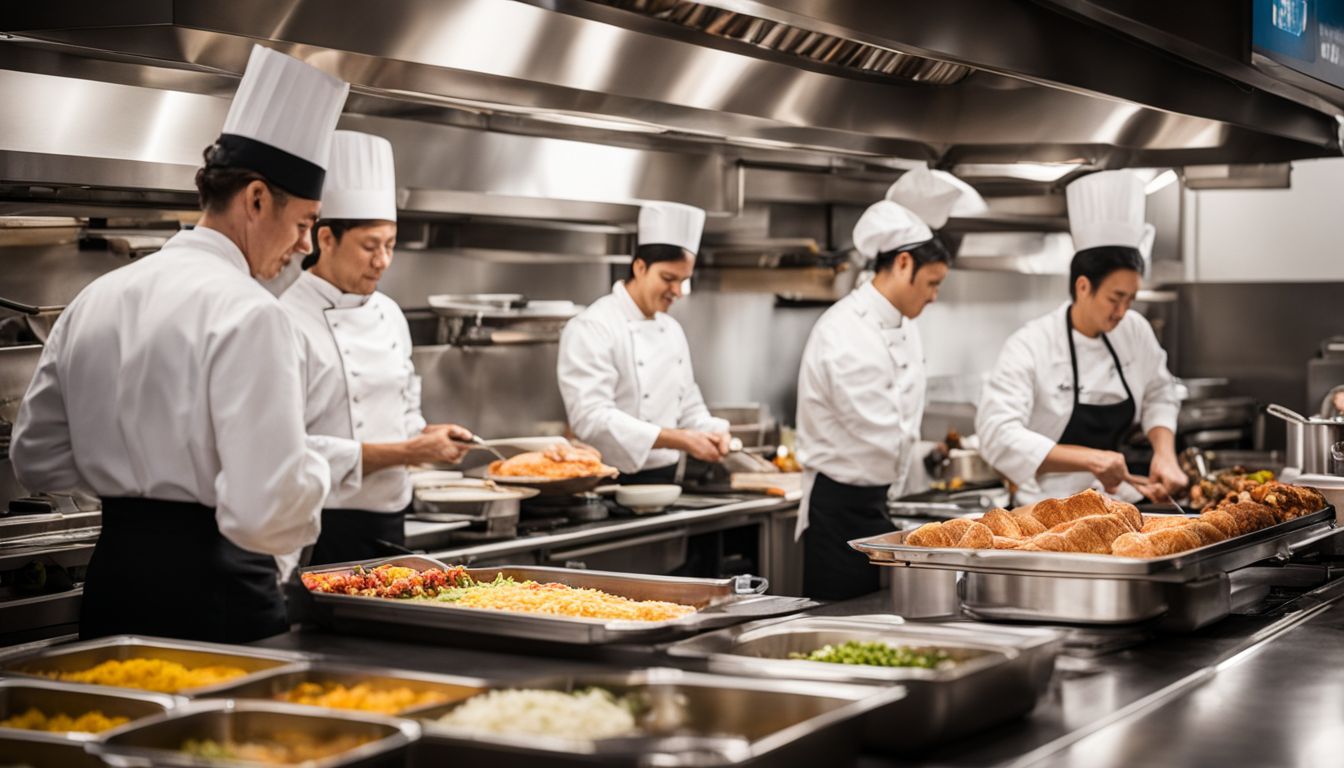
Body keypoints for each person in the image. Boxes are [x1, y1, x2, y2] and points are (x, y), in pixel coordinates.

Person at [10, 45, 349, 642]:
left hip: (114, 584)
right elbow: (265, 515)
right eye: (303, 224)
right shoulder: (251, 314)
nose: (304, 247)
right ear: (256, 199)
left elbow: (35, 459)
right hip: (216, 598)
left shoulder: (98, 298)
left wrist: (134, 481)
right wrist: (315, 468)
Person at [280, 130, 473, 566]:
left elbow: (404, 411)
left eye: (390, 245)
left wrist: (428, 436)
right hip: (320, 523)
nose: (383, 261)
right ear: (324, 238)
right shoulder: (286, 317)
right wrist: (408, 453)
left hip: (390, 517)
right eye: (370, 246)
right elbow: (290, 447)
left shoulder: (389, 312)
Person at [795, 167, 970, 601]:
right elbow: (877, 430)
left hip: (876, 502)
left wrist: (927, 456)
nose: (933, 297)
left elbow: (899, 426)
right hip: (837, 510)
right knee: (839, 629)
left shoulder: (903, 323)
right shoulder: (845, 331)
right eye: (932, 284)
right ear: (903, 264)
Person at [976, 170, 1184, 506]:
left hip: (1116, 503)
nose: (1123, 311)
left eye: (1131, 299)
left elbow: (1159, 391)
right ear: (1083, 286)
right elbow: (996, 435)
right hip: (1046, 508)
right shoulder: (1031, 344)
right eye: (1115, 298)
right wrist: (1093, 459)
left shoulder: (1134, 329)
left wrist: (1165, 452)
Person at [557, 201, 730, 483]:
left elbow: (688, 406)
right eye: (668, 278)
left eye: (683, 280)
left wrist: (713, 432)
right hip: (607, 482)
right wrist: (678, 439)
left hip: (668, 481)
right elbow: (591, 418)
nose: (677, 291)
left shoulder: (672, 329)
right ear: (639, 267)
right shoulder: (593, 327)